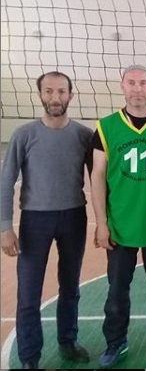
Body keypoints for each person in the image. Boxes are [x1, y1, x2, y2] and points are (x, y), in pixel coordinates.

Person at [0, 71, 93, 370]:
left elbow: (102, 179)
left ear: (70, 95)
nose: (55, 97)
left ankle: (68, 341)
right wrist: (5, 227)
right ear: (40, 95)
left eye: (61, 91)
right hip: (35, 221)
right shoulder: (24, 135)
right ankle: (30, 357)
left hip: (74, 217)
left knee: (70, 286)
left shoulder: (84, 135)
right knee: (29, 293)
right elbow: (5, 182)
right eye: (49, 91)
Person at [90, 64, 146, 368]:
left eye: (143, 83)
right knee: (117, 291)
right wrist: (101, 223)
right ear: (122, 86)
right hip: (120, 225)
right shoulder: (105, 127)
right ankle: (116, 342)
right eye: (131, 82)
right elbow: (97, 176)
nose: (137, 88)